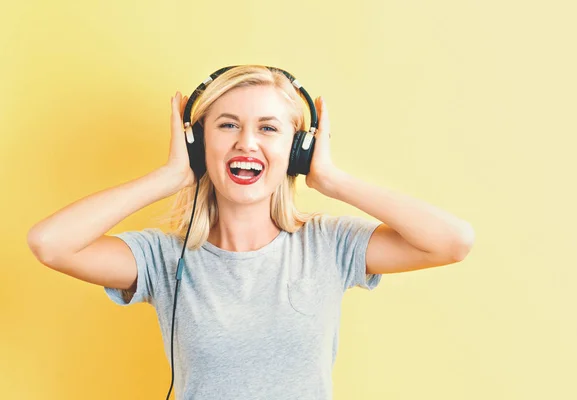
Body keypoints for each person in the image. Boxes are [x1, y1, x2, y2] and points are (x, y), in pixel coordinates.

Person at [27, 65, 475, 400]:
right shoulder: (163, 258)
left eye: (268, 128)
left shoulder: (329, 246)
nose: (247, 142)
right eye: (227, 125)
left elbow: (452, 241)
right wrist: (168, 177)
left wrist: (333, 180)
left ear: (297, 149)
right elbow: (50, 243)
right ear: (199, 144)